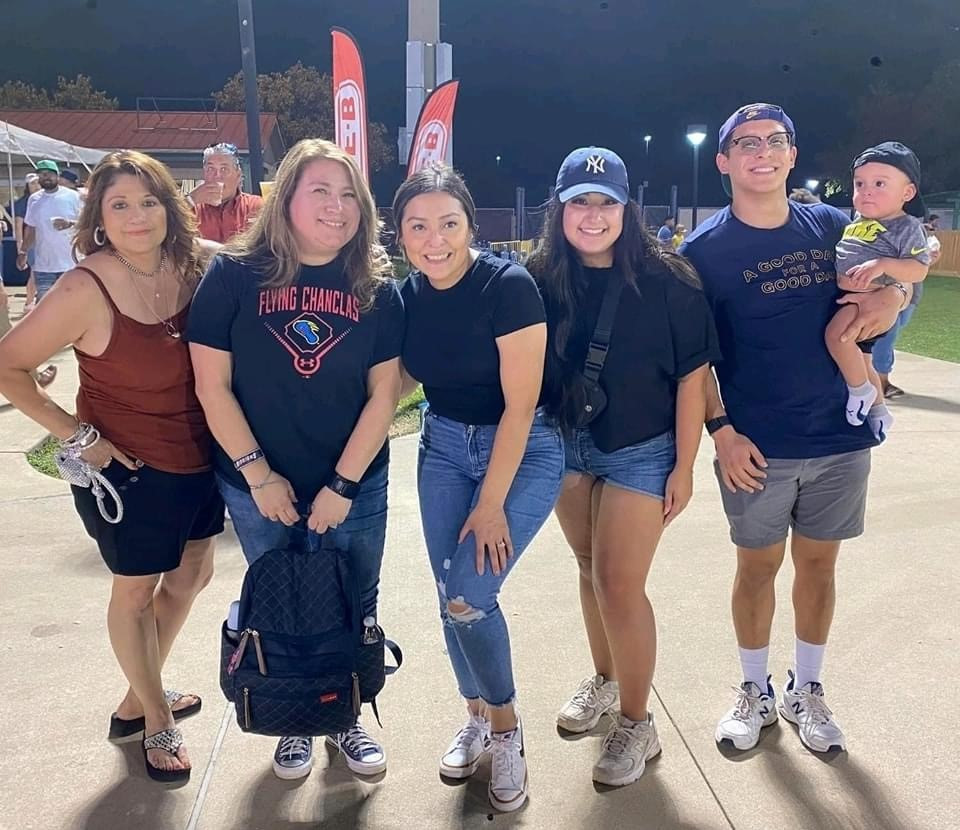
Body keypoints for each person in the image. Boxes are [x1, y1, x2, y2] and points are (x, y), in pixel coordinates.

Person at [679, 103, 905, 755]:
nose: (763, 152)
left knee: (819, 565)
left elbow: (900, 271)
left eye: (776, 141)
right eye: (746, 143)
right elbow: (694, 362)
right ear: (723, 162)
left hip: (838, 439)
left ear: (792, 155)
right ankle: (754, 690)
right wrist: (721, 432)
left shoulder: (836, 225)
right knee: (757, 568)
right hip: (758, 446)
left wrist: (892, 297)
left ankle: (808, 688)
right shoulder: (703, 253)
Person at [0, 150, 224, 783]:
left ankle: (135, 697)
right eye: (119, 204)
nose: (136, 216)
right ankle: (156, 718)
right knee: (135, 594)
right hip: (130, 473)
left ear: (169, 207)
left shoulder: (193, 263)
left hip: (201, 461)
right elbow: (8, 365)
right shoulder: (84, 286)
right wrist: (80, 436)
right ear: (97, 213)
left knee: (191, 578)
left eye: (149, 201)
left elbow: (256, 257)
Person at [188, 138, 404, 782]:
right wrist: (258, 474)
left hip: (354, 485)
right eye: (320, 191)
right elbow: (211, 385)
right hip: (257, 484)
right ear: (285, 198)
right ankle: (292, 716)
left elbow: (383, 395)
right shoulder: (232, 275)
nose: (336, 208)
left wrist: (343, 483)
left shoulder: (375, 284)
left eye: (348, 196)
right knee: (278, 602)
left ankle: (343, 713)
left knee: (354, 603)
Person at [526, 146, 720, 787]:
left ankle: (639, 723)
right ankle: (607, 682)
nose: (592, 214)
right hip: (568, 444)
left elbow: (695, 378)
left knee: (618, 583)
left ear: (626, 209)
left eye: (605, 201)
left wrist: (685, 466)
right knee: (588, 570)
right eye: (579, 201)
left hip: (641, 447)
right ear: (559, 209)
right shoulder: (538, 275)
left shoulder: (671, 278)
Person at [395, 162, 563, 812]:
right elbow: (402, 380)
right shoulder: (409, 296)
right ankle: (475, 714)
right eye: (418, 225)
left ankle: (506, 727)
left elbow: (520, 406)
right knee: (448, 596)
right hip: (442, 447)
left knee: (469, 593)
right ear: (400, 232)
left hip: (521, 449)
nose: (434, 238)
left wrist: (491, 503)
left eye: (448, 223)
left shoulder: (507, 285)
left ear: (469, 225)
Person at [827, 142, 931, 439]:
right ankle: (879, 409)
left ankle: (859, 390)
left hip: (866, 300)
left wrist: (884, 266)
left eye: (880, 183)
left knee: (837, 337)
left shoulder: (906, 227)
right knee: (863, 358)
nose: (867, 190)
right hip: (849, 297)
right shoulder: (857, 221)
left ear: (907, 193)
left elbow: (919, 269)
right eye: (860, 184)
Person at [16, 159, 82, 301]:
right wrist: (23, 251)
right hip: (44, 266)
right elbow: (31, 227)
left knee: (71, 306)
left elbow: (87, 223)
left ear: (57, 175)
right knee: (45, 309)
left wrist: (69, 223)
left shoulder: (73, 196)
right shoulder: (34, 199)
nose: (46, 177)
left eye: (49, 174)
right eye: (42, 174)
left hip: (70, 264)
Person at [188, 142, 263, 243]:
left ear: (238, 175)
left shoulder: (255, 206)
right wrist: (191, 199)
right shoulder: (192, 208)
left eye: (224, 169)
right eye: (211, 169)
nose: (217, 176)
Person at [13, 173, 41, 311]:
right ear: (27, 186)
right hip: (32, 242)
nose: (36, 186)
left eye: (37, 182)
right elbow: (18, 227)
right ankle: (29, 303)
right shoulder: (23, 203)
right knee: (34, 273)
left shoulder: (43, 199)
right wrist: (21, 248)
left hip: (46, 242)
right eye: (32, 183)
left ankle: (31, 303)